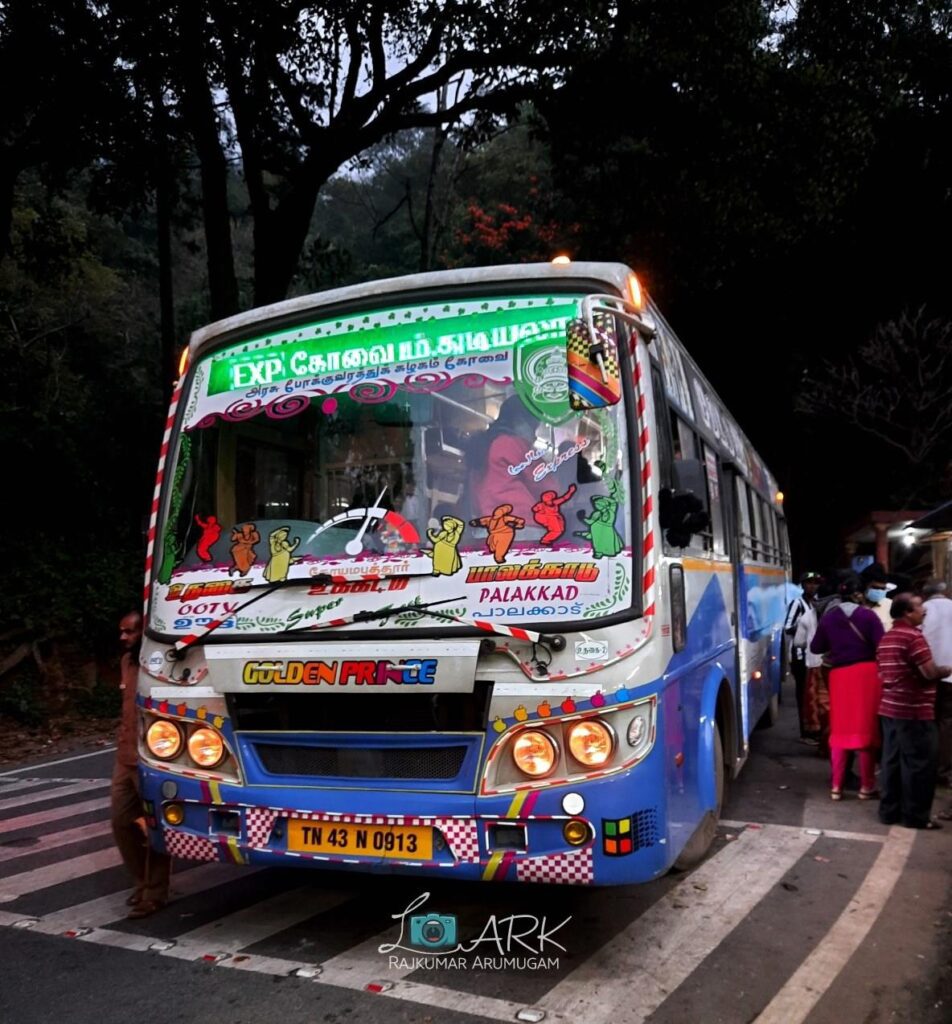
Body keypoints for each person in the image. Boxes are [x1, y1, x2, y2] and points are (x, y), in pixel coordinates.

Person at [111, 612, 171, 917]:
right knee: (121, 822)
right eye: (122, 632)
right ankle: (141, 881)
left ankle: (154, 892)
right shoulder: (126, 663)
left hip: (153, 756)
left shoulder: (159, 662)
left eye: (129, 632)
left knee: (155, 825)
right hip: (125, 756)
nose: (123, 638)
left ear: (144, 634)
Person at [877, 593, 952, 829]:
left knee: (892, 762)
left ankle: (889, 812)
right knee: (919, 765)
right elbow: (928, 673)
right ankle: (916, 816)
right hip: (914, 711)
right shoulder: (913, 638)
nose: (925, 610)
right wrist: (946, 669)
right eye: (919, 607)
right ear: (907, 613)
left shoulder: (888, 637)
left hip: (890, 708)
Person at [810, 574, 884, 800]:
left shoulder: (830, 618)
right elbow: (881, 645)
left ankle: (836, 787)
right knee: (866, 730)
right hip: (866, 675)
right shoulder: (868, 616)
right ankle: (866, 787)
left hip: (839, 676)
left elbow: (816, 647)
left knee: (840, 730)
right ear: (859, 593)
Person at [465, 394, 543, 522]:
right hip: (522, 523)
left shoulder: (482, 446)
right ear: (519, 422)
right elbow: (546, 485)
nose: (534, 437)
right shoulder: (512, 444)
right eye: (533, 429)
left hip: (487, 522)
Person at [921, 580, 952, 790]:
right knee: (947, 723)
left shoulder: (921, 610)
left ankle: (928, 766)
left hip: (926, 675)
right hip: (951, 676)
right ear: (945, 591)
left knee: (927, 720)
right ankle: (944, 769)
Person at [784, 571, 822, 743]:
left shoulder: (820, 603)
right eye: (809, 583)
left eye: (815, 583)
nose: (812, 586)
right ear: (803, 585)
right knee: (802, 693)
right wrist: (804, 625)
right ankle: (805, 731)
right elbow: (787, 627)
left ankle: (816, 728)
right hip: (800, 655)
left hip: (816, 655)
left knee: (814, 693)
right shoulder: (797, 604)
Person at [860, 562, 895, 631]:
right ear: (865, 586)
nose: (879, 591)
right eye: (875, 588)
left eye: (882, 589)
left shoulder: (890, 605)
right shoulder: (855, 608)